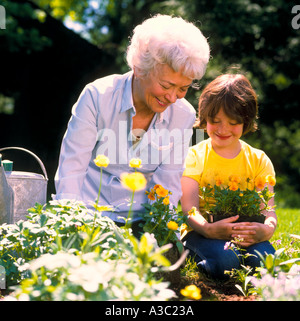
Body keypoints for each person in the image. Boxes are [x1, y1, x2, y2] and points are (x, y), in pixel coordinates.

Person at [54, 14, 210, 228]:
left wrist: (159, 234)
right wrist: (70, 225)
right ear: (139, 69)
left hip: (141, 222)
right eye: (166, 86)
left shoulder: (184, 116)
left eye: (183, 88)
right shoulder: (97, 96)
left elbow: (168, 184)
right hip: (88, 217)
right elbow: (71, 170)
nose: (173, 97)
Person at [180, 74, 276, 279]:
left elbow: (268, 212)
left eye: (233, 122)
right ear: (205, 118)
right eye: (215, 121)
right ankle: (200, 264)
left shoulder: (258, 160)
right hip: (200, 232)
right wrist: (208, 229)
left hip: (245, 234)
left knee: (265, 260)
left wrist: (266, 231)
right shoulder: (195, 156)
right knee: (226, 262)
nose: (223, 129)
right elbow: (189, 209)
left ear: (246, 122)